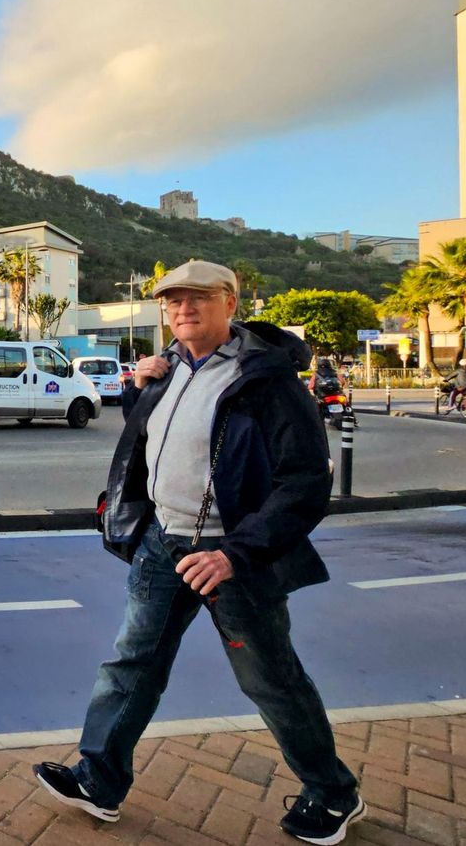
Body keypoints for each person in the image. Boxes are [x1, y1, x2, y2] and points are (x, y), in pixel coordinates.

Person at [34, 260, 364, 845]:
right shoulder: (170, 369)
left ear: (231, 304)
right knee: (130, 664)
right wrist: (144, 390)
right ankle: (99, 779)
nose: (182, 310)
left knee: (271, 679)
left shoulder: (268, 380)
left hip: (231, 559)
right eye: (172, 301)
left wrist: (238, 553)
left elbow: (306, 481)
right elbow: (156, 445)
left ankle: (334, 794)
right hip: (165, 545)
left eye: (198, 299)